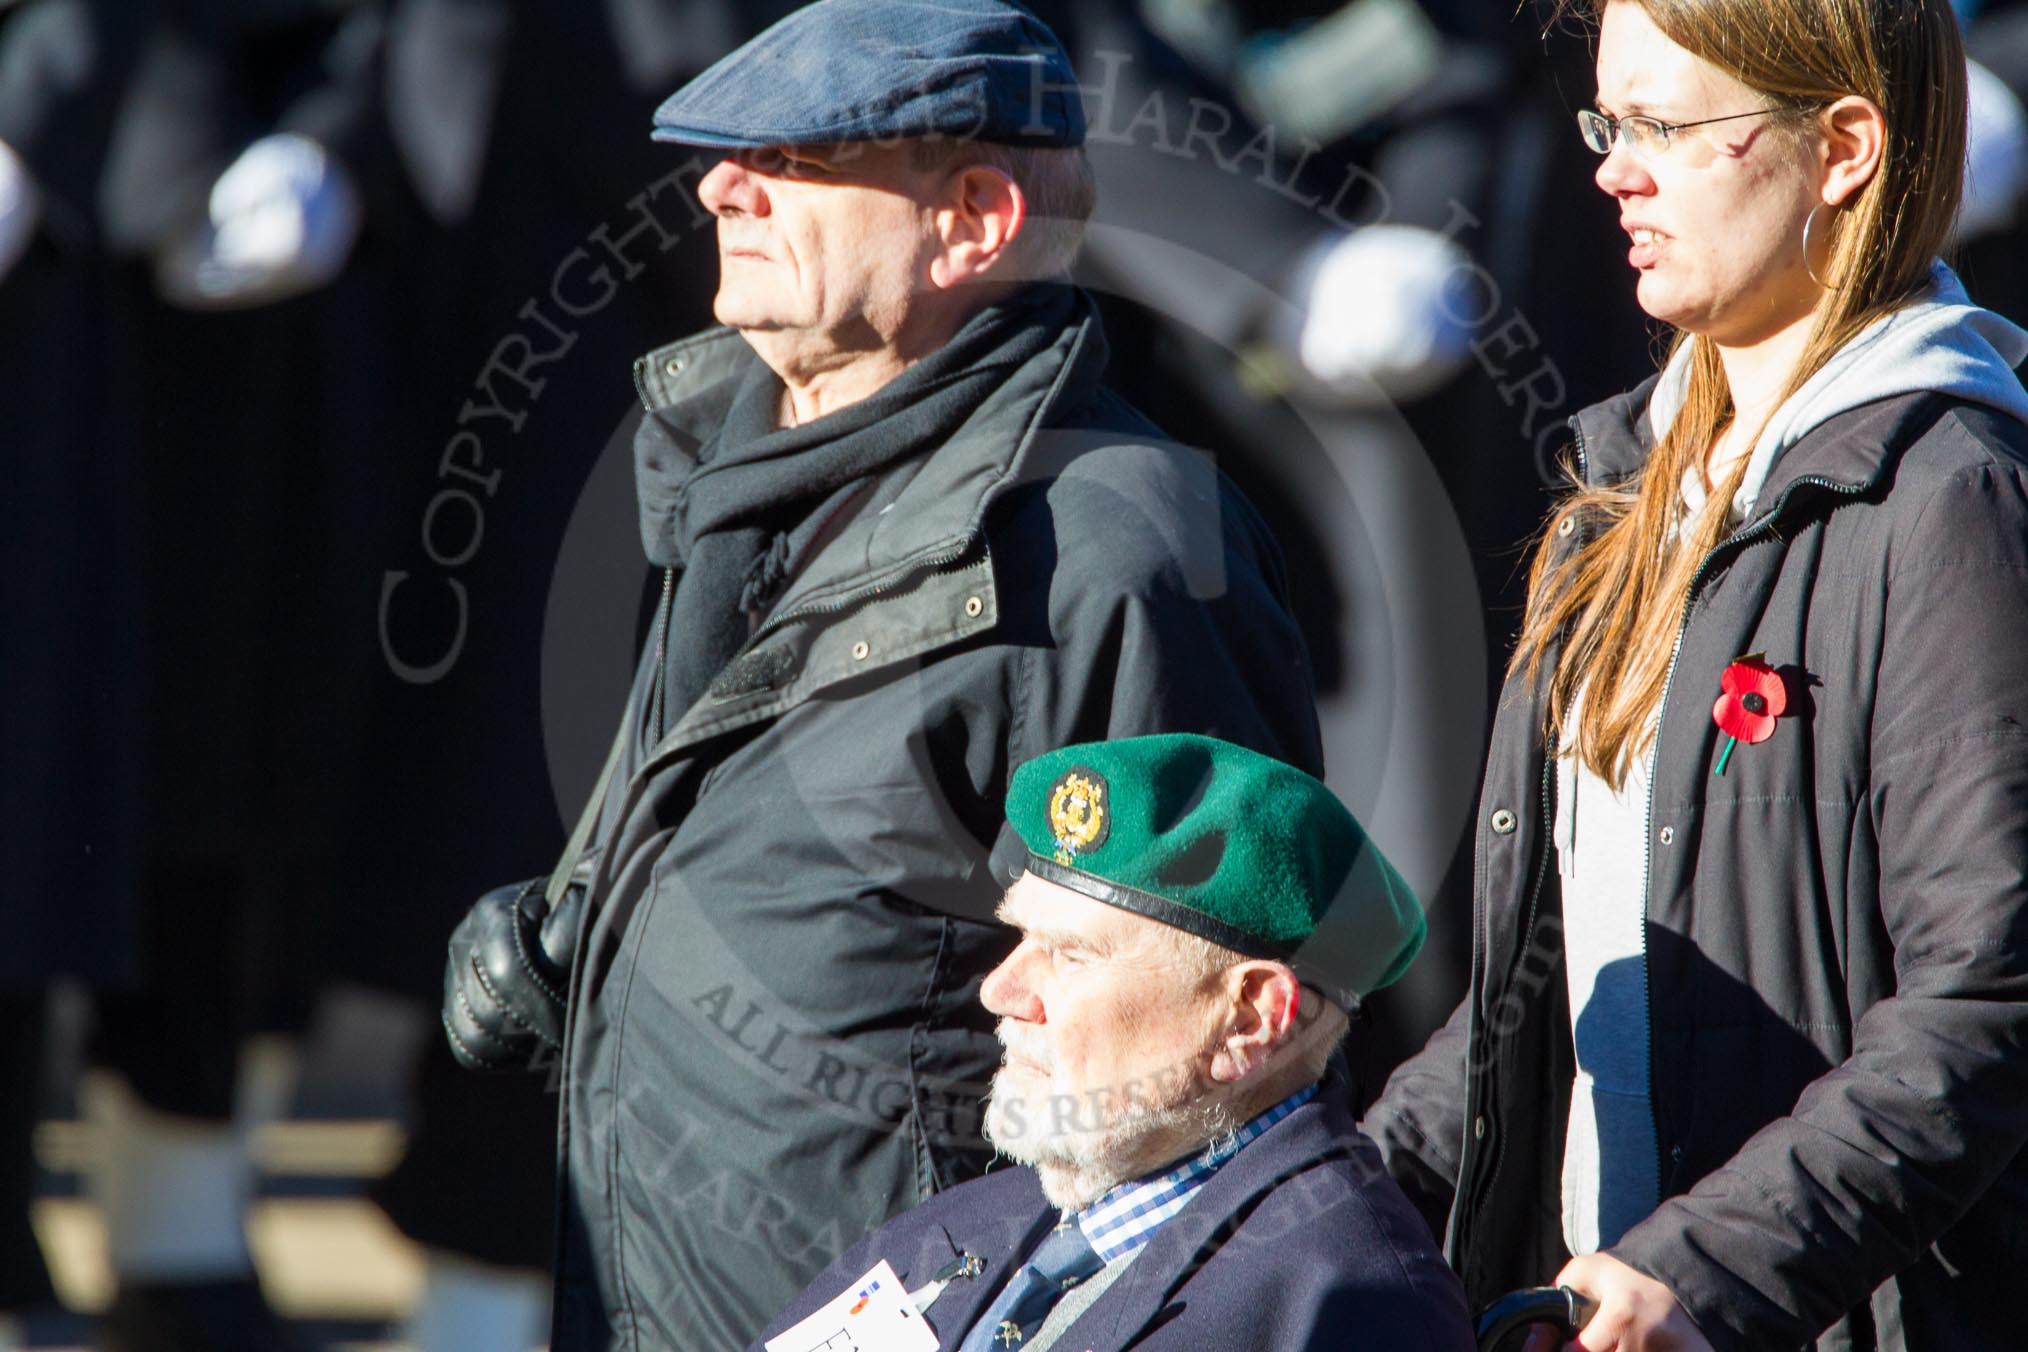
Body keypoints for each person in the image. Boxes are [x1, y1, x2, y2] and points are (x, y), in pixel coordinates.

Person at [439, 1, 1325, 1346]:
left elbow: (1209, 1065)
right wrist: (579, 936)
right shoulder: (739, 469)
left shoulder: (1110, 554)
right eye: (722, 156)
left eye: (789, 161)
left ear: (971, 217)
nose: (718, 189)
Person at [1362, 1, 2028, 1349]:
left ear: (1842, 147)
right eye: (1611, 122)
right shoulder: (1617, 491)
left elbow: (1991, 998)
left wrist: (1702, 1275)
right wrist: (1340, 1202)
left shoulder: (1952, 498)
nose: (1613, 167)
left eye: (1666, 125)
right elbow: (1539, 982)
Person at [749, 734, 1472, 1352]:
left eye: (1070, 954)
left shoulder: (1346, 1309)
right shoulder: (965, 1223)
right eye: (1021, 937)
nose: (1000, 991)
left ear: (1249, 1019)